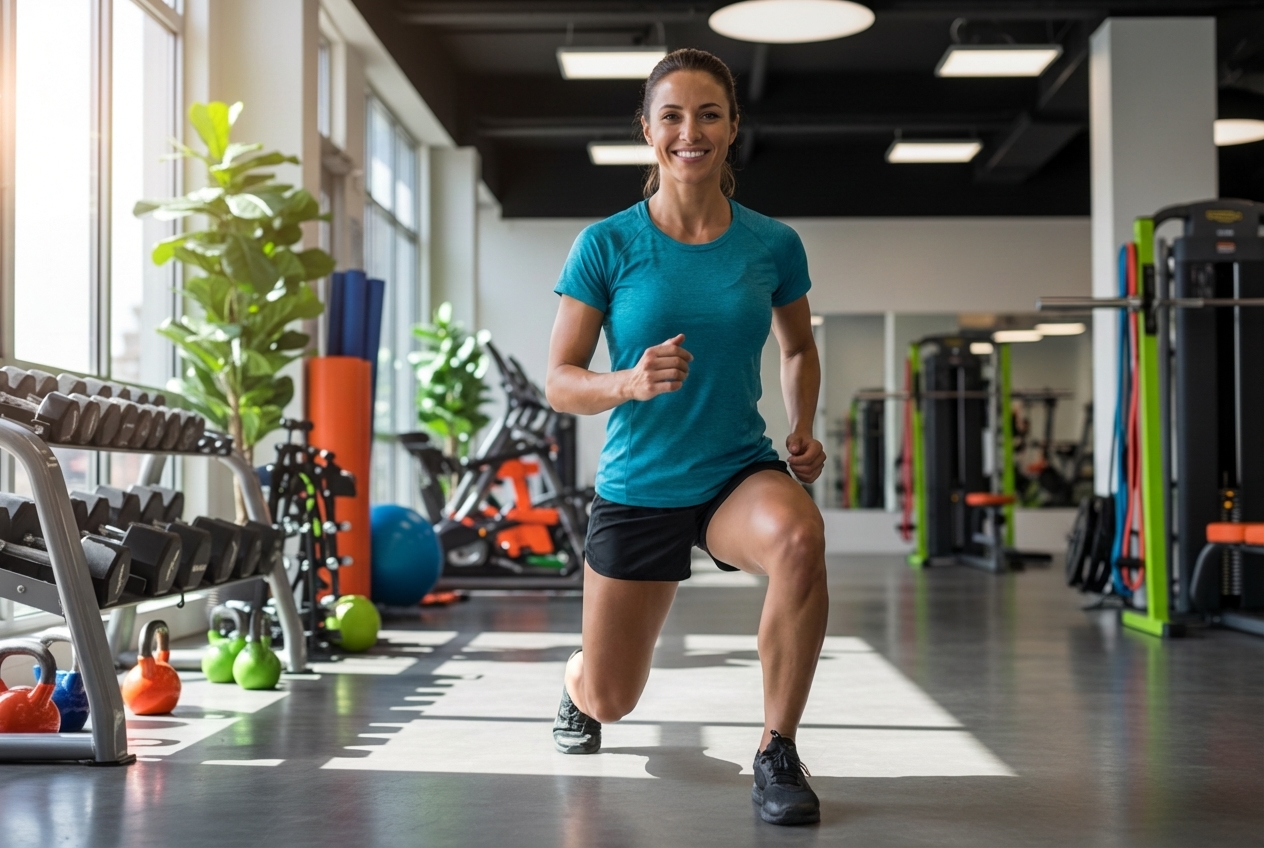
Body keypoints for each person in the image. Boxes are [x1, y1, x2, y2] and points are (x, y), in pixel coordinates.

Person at [545, 48, 829, 827]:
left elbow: (798, 347)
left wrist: (801, 426)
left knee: (801, 539)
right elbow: (560, 379)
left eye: (708, 113)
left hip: (736, 471)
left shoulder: (772, 244)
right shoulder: (606, 244)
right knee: (612, 694)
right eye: (672, 115)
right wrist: (626, 382)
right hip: (639, 486)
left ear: (733, 127)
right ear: (648, 130)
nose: (690, 131)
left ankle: (777, 749)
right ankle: (575, 687)